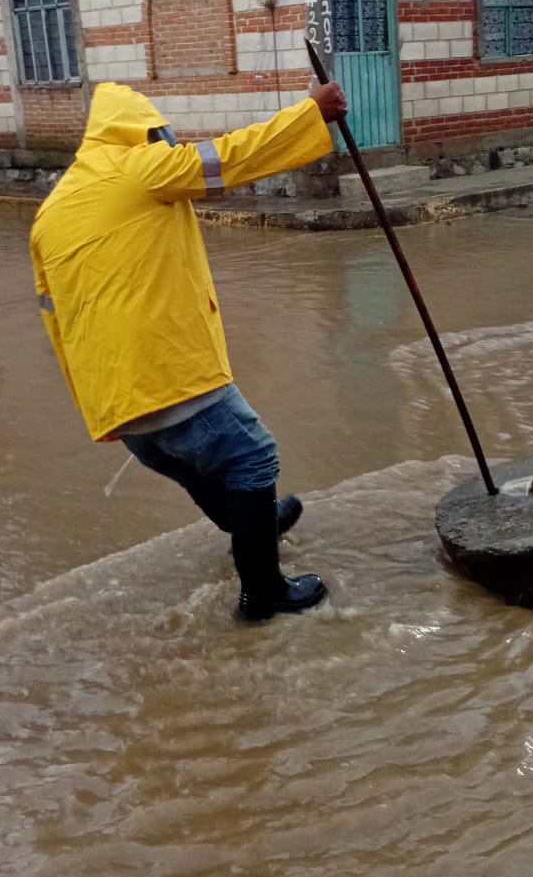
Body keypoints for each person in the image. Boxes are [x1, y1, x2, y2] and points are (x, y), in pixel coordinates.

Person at [31, 78, 347, 621]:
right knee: (252, 457)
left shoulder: (51, 213)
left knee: (211, 471)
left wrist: (97, 409)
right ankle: (263, 593)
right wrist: (310, 115)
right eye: (161, 133)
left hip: (119, 401)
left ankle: (256, 526)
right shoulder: (137, 167)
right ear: (142, 131)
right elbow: (228, 158)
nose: (167, 141)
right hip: (166, 376)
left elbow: (55, 320)